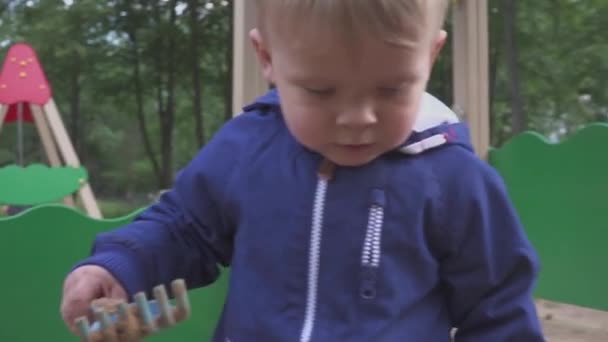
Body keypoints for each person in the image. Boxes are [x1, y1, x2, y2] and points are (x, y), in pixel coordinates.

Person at [60, 0, 546, 340]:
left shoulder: (454, 181)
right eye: (321, 91)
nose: (358, 118)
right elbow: (184, 227)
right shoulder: (246, 148)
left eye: (391, 89)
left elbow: (498, 308)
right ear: (268, 59)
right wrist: (121, 266)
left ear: (430, 56)